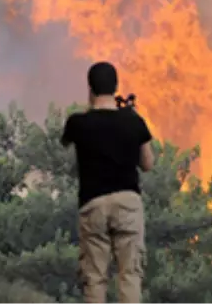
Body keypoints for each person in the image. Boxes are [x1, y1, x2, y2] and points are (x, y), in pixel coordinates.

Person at [61, 61, 155, 304]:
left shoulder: (77, 123)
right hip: (127, 202)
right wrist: (126, 114)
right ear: (116, 87)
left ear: (90, 89)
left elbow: (65, 146)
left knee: (94, 277)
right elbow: (147, 163)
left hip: (93, 204)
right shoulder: (133, 121)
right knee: (130, 274)